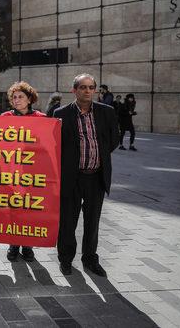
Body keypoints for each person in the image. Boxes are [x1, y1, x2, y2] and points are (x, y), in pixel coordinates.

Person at [55, 73, 119, 277]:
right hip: (71, 178)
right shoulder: (61, 113)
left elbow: (113, 139)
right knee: (67, 222)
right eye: (83, 87)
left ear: (95, 90)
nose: (87, 91)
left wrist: (96, 154)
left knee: (93, 222)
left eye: (91, 87)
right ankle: (65, 259)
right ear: (74, 90)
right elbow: (54, 144)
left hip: (96, 177)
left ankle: (90, 259)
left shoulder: (106, 112)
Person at [1, 81, 47, 263]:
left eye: (21, 97)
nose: (17, 100)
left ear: (29, 99)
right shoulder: (4, 117)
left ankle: (27, 246)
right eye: (14, 97)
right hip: (11, 172)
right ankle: (14, 245)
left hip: (33, 172)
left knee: (30, 209)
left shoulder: (41, 118)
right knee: (14, 210)